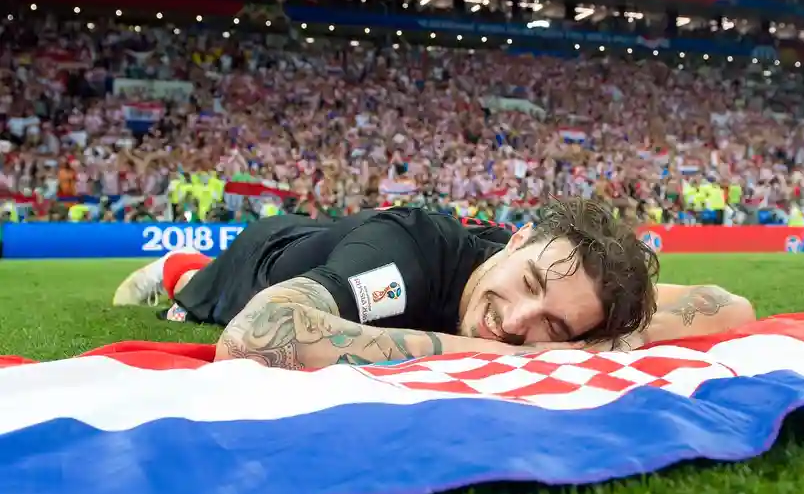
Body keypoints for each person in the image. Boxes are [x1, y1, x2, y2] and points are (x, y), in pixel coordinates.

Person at [113, 198, 755, 369]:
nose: (517, 321)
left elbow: (729, 308)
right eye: (529, 283)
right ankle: (173, 271)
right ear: (517, 241)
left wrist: (595, 338)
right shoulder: (409, 258)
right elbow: (255, 334)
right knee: (194, 288)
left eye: (554, 325)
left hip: (340, 244)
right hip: (262, 258)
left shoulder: (570, 284)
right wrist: (503, 355)